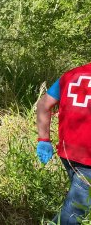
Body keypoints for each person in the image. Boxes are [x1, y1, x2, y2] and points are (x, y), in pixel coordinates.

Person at [36, 62, 91, 224]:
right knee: (73, 214)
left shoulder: (70, 75)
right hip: (88, 160)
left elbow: (43, 105)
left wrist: (44, 140)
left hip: (68, 153)